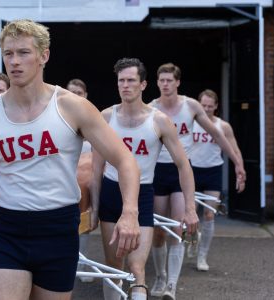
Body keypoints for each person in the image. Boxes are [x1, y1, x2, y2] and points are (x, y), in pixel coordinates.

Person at [0, 19, 141, 300]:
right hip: (9, 231)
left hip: (58, 231)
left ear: (43, 56)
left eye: (24, 53)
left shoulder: (71, 107)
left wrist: (129, 213)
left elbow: (125, 160)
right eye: (8, 54)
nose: (15, 62)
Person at [91, 58, 195, 300]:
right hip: (110, 192)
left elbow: (183, 165)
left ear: (143, 84)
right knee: (114, 266)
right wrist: (95, 208)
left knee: (137, 269)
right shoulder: (105, 117)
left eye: (131, 80)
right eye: (121, 81)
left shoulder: (158, 121)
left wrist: (190, 208)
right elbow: (96, 169)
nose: (125, 85)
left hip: (143, 195)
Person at [149, 63, 245, 300]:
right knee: (158, 232)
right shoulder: (151, 108)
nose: (165, 84)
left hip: (183, 170)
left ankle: (172, 283)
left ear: (178, 82)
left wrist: (237, 163)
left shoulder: (190, 106)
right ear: (157, 82)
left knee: (177, 227)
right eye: (161, 80)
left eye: (169, 80)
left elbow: (216, 134)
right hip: (158, 171)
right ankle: (160, 276)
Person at [188, 89, 244, 271]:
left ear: (216, 107)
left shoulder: (223, 126)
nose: (206, 109)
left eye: (210, 106)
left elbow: (234, 150)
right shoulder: (190, 123)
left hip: (213, 172)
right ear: (198, 104)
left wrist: (240, 171)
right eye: (203, 105)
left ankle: (202, 257)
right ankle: (190, 242)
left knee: (209, 215)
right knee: (190, 215)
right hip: (192, 171)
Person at [65, 78, 93, 283]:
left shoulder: (92, 122)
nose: (75, 96)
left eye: (79, 93)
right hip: (64, 186)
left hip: (86, 184)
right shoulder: (58, 122)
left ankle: (81, 264)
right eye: (71, 92)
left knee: (85, 227)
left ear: (86, 96)